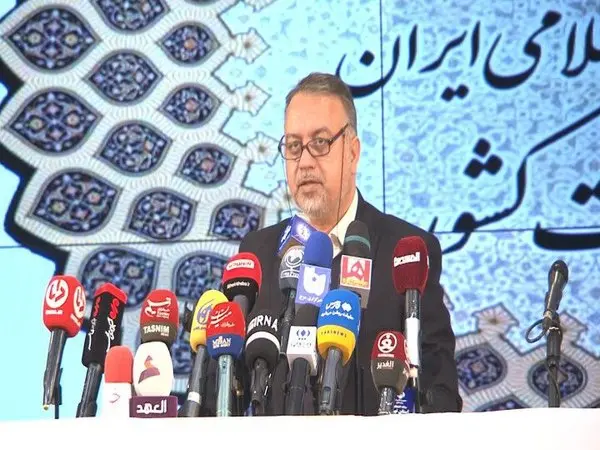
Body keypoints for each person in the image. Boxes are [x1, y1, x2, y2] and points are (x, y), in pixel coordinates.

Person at [238, 72, 462, 415]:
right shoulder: (258, 252)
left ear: (353, 153)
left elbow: (439, 389)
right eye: (294, 146)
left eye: (320, 142)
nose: (305, 161)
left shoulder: (407, 250)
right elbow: (233, 386)